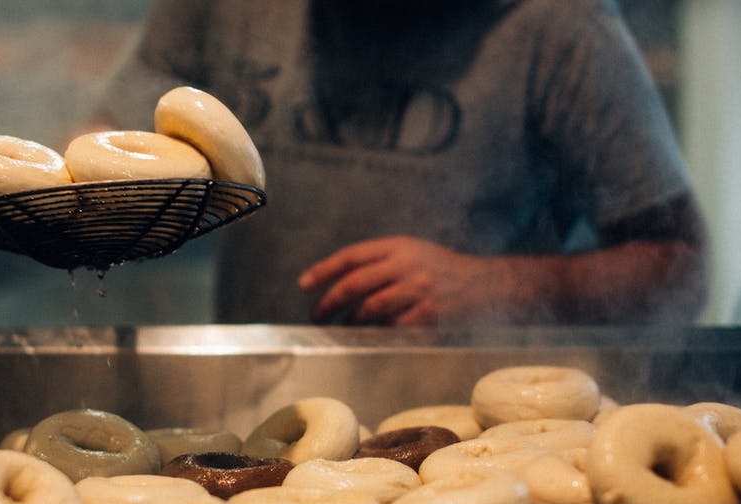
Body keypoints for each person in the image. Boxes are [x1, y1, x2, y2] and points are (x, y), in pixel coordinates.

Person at [93, 0, 708, 326]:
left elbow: (682, 270)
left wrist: (499, 287)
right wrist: (86, 194)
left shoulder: (562, 25)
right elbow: (109, 134)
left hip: (475, 430)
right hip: (253, 402)